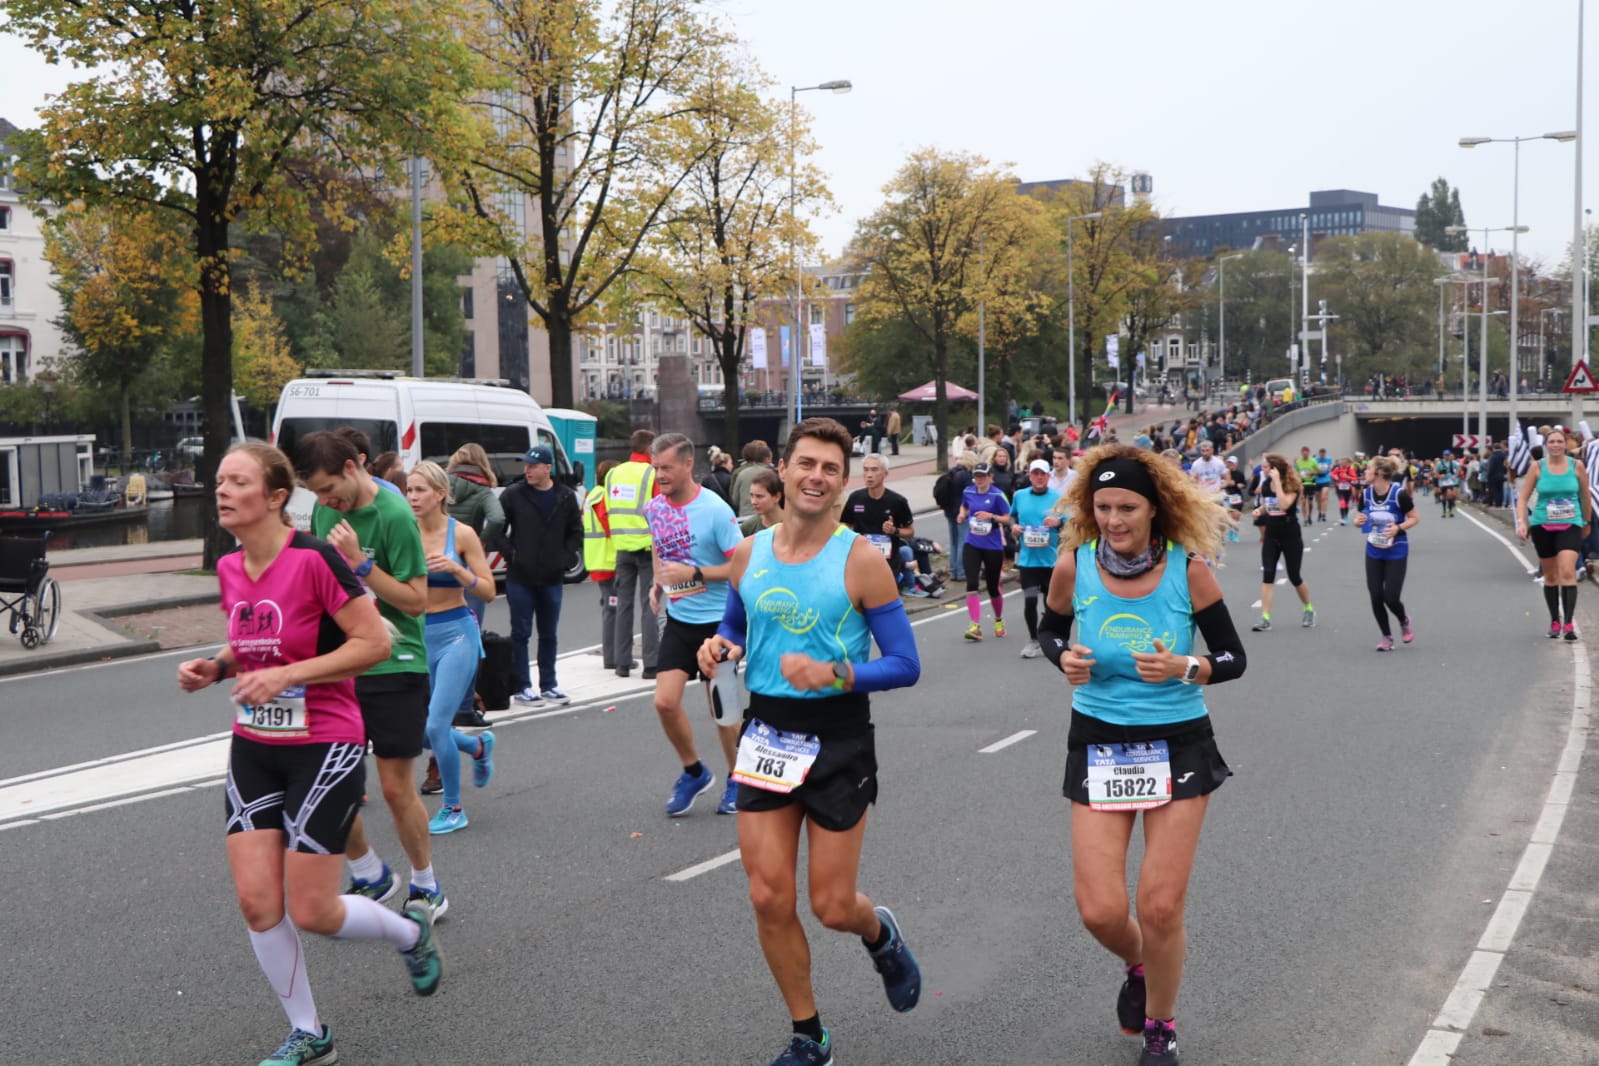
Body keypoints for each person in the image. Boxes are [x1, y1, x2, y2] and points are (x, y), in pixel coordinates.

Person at [178, 442, 441, 1066]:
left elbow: (374, 642)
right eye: (219, 480)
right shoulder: (231, 567)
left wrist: (288, 674)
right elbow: (255, 640)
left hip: (325, 743)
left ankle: (409, 931)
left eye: (237, 481)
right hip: (256, 744)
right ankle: (309, 1030)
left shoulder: (316, 558)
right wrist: (215, 666)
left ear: (274, 497)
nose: (222, 490)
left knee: (315, 910)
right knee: (256, 900)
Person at [696, 417, 923, 1066]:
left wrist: (837, 672)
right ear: (783, 472)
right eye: (806, 464)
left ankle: (879, 935)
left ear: (843, 480)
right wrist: (722, 646)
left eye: (829, 468)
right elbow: (736, 623)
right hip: (766, 733)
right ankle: (808, 1035)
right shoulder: (748, 554)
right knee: (767, 894)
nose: (815, 477)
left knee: (829, 904)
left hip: (836, 737)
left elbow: (905, 663)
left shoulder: (862, 561)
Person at [1036, 441, 1246, 1066]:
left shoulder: (1189, 570)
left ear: (1154, 509)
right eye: (1102, 507)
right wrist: (1062, 657)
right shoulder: (1074, 564)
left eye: (1126, 507)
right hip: (1100, 741)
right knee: (1101, 910)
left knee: (1159, 903)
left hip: (1177, 741)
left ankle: (1160, 1025)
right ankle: (1138, 963)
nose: (1113, 520)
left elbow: (1234, 658)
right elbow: (1048, 628)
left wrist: (1187, 666)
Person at [294, 431, 443, 917]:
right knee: (326, 780)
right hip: (342, 660)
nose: (324, 501)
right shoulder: (325, 511)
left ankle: (426, 886)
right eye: (316, 494)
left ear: (354, 467)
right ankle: (369, 873)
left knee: (397, 788)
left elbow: (416, 600)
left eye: (328, 488)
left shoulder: (395, 515)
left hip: (396, 662)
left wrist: (361, 564)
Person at [645, 432, 746, 816]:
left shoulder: (716, 510)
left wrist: (695, 572)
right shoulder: (655, 508)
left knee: (722, 709)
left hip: (719, 624)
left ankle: (739, 779)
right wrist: (659, 581)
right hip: (680, 620)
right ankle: (694, 772)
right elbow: (660, 546)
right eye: (656, 469)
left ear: (689, 464)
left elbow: (742, 565)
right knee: (665, 702)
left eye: (667, 468)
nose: (661, 476)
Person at [407, 461, 499, 832]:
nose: (412, 498)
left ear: (441, 494)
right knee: (416, 727)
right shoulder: (404, 531)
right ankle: (478, 747)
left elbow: (489, 591)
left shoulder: (461, 535)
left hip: (456, 633)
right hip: (415, 637)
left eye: (420, 490)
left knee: (436, 724)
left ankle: (453, 807)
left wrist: (457, 570)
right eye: (409, 490)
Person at [499, 444, 583, 705]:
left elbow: (575, 532)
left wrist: (566, 559)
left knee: (549, 633)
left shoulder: (565, 497)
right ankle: (523, 686)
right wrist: (511, 555)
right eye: (526, 466)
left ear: (548, 468)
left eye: (533, 466)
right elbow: (495, 529)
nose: (527, 470)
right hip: (520, 577)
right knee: (520, 633)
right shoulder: (513, 495)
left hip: (551, 577)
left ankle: (549, 684)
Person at [1515, 426, 1592, 640]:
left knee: (1567, 572)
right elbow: (1523, 497)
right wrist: (1522, 521)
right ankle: (1554, 621)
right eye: (1552, 442)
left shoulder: (1577, 466)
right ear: (1546, 446)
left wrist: (1586, 521)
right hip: (1542, 524)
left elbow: (1585, 496)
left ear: (1566, 444)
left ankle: (1568, 624)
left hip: (1571, 523)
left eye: (1560, 441)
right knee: (1550, 576)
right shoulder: (1537, 467)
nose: (1556, 445)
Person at [606, 429, 660, 678]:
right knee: (650, 604)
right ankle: (651, 664)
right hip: (647, 547)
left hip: (621, 547)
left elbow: (608, 510)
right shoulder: (651, 473)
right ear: (649, 449)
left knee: (623, 605)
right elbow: (659, 509)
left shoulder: (613, 473)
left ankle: (622, 663)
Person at [1352, 455, 1419, 652]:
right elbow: (1360, 518)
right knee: (1375, 595)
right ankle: (1386, 637)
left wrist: (1398, 528)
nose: (1365, 472)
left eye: (1368, 469)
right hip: (1373, 550)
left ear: (1379, 473)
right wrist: (1358, 521)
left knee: (1391, 597)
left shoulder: (1399, 495)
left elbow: (1415, 518)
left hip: (1396, 551)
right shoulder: (1365, 494)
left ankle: (1404, 619)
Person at [1249, 452, 1316, 632]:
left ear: (1274, 469)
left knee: (1294, 576)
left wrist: (1277, 482)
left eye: (1265, 467)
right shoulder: (1264, 484)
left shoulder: (1291, 484)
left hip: (1290, 533)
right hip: (1272, 532)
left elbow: (1285, 504)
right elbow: (1269, 503)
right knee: (1268, 574)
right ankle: (1265, 617)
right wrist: (1260, 510)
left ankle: (1308, 608)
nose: (1262, 470)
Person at [1012, 459, 1065, 658]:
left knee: (1051, 604)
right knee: (1030, 600)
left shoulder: (1057, 498)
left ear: (1048, 476)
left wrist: (1057, 522)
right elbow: (1012, 517)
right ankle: (1033, 640)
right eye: (1035, 474)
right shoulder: (1020, 496)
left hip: (1051, 559)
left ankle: (1050, 637)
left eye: (1042, 474)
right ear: (1029, 475)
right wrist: (1014, 528)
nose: (1039, 477)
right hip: (1028, 559)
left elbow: (1069, 523)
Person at [844, 453, 917, 596]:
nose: (869, 475)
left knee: (884, 608)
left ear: (885, 474)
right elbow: (845, 525)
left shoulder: (897, 501)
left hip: (887, 566)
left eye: (874, 470)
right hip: (861, 564)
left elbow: (910, 531)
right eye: (866, 470)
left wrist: (894, 531)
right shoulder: (856, 498)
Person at [958, 462, 1012, 641]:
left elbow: (1008, 519)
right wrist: (962, 514)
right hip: (972, 543)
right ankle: (975, 626)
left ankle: (998, 619)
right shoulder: (968, 491)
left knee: (992, 587)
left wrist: (992, 516)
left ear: (990, 477)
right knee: (971, 583)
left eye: (983, 476)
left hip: (993, 545)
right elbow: (965, 505)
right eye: (977, 476)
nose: (980, 480)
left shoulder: (997, 495)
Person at [585, 459, 623, 671]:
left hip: (598, 559)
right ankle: (613, 657)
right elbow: (611, 527)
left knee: (610, 608)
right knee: (613, 609)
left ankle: (613, 656)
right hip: (608, 560)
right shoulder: (604, 496)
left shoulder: (592, 494)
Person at [731, 440, 774, 519]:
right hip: (765, 517)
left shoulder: (740, 473)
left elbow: (735, 500)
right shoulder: (771, 473)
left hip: (744, 516)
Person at [739, 467, 784, 537]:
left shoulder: (794, 525)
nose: (753, 502)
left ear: (777, 497)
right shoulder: (748, 528)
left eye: (759, 496)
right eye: (751, 495)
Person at [1294, 447, 1320, 526]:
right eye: (1303, 453)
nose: (1305, 454)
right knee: (1303, 502)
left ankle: (1309, 516)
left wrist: (1312, 473)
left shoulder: (1313, 461)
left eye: (1306, 453)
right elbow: (1296, 472)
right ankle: (1305, 518)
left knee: (1310, 502)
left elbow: (1318, 471)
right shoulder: (1298, 462)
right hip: (1302, 484)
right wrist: (1298, 475)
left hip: (1311, 483)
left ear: (1309, 453)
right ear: (1301, 453)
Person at [1330, 456, 1360, 526]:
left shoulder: (1350, 469)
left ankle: (1345, 517)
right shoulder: (1338, 468)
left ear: (1348, 463)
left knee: (1346, 503)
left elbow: (1355, 478)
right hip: (1339, 488)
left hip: (1347, 488)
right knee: (1342, 503)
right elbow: (1332, 473)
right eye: (1342, 462)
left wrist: (1347, 477)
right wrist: (1336, 477)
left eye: (1345, 462)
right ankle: (1342, 518)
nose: (1343, 463)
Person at [1434, 450, 1461, 518]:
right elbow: (1435, 473)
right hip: (1442, 482)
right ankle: (1444, 511)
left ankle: (1450, 510)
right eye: (1446, 455)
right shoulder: (1439, 463)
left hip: (1450, 481)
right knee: (1444, 497)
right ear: (1443, 455)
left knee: (1450, 495)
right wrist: (1440, 476)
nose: (1447, 456)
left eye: (1448, 455)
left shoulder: (1453, 463)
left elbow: (1458, 469)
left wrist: (1455, 476)